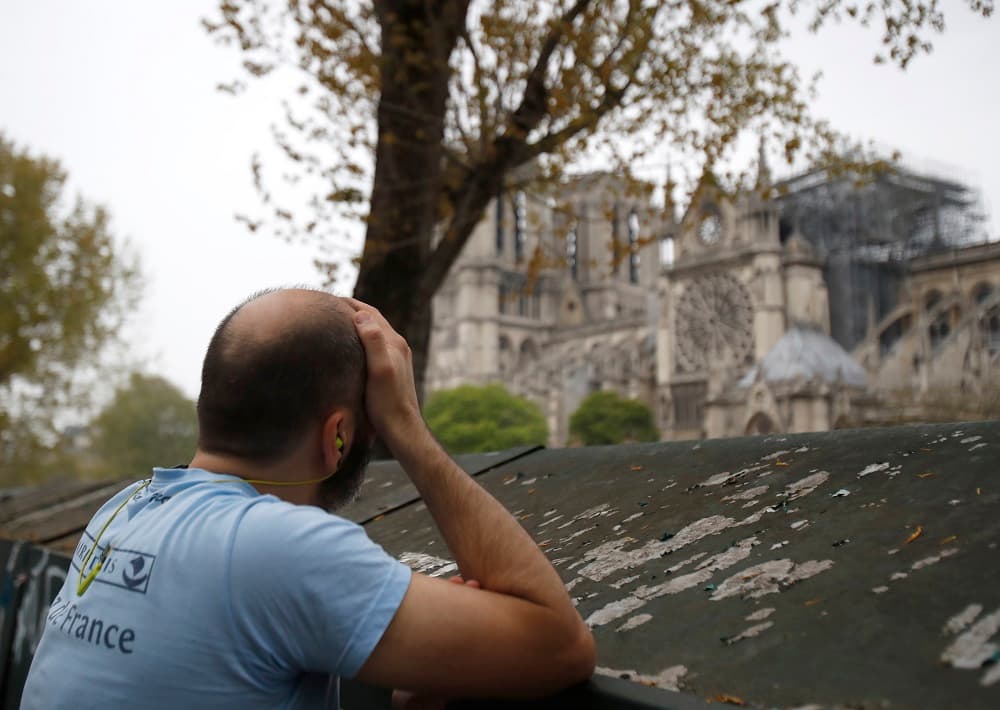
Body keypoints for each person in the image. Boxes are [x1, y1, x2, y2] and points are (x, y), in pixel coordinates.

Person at [22, 288, 595, 709]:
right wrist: (407, 428)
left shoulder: (122, 511)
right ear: (338, 436)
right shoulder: (276, 548)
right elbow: (563, 645)